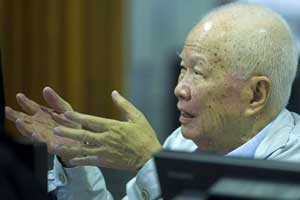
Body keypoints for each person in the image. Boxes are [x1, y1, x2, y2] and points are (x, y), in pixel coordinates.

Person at [5, 3, 300, 200]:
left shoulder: (292, 167)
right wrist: (74, 161)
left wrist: (150, 164)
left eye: (198, 72)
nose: (179, 89)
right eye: (182, 68)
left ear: (256, 94)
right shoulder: (181, 144)